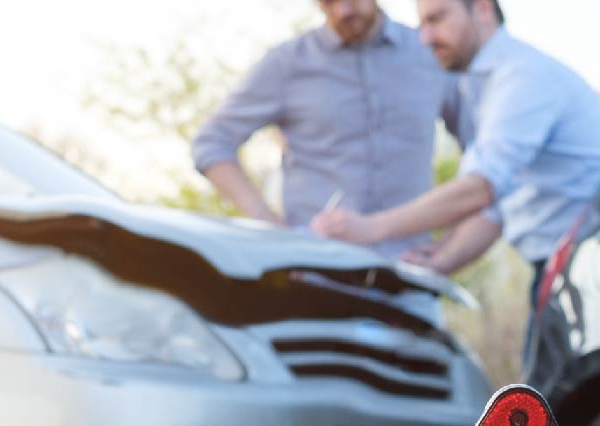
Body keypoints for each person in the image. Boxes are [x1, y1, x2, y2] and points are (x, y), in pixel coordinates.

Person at [311, 0, 600, 291]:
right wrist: (440, 259)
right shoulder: (485, 85)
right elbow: (497, 208)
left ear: (482, 9)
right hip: (562, 265)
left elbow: (479, 190)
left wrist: (371, 228)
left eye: (436, 19)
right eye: (422, 24)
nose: (425, 38)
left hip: (593, 265)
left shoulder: (523, 77)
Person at [191, 0, 458, 259]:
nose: (342, 11)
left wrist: (450, 250)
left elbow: (486, 158)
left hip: (410, 274)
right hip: (316, 272)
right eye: (328, 2)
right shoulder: (288, 62)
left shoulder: (430, 53)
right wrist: (272, 229)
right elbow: (212, 142)